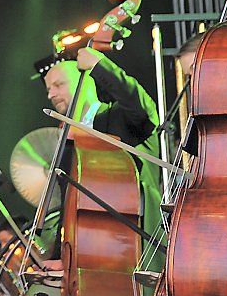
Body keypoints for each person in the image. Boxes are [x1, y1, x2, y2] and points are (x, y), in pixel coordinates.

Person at [39, 47, 164, 252]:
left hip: (135, 243)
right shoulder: (67, 142)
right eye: (48, 89)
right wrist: (59, 257)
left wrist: (100, 66)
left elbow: (140, 106)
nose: (51, 94)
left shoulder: (119, 117)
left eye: (58, 85)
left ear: (85, 81)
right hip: (89, 251)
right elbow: (68, 206)